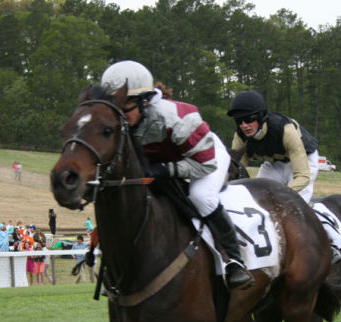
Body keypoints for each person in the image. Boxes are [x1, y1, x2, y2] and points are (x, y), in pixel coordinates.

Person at [101, 60, 252, 290]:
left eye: (124, 107)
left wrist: (165, 170)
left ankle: (234, 260)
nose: (119, 115)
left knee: (201, 196)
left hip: (206, 156)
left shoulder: (175, 118)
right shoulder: (125, 123)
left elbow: (205, 164)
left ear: (144, 101)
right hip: (170, 161)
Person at [227, 89, 341, 263]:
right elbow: (238, 168)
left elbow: (302, 176)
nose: (244, 125)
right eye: (239, 121)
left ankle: (332, 243)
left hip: (303, 162)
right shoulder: (240, 135)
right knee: (255, 201)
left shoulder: (285, 129)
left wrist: (282, 193)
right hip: (274, 164)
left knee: (295, 204)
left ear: (261, 116)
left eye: (249, 119)